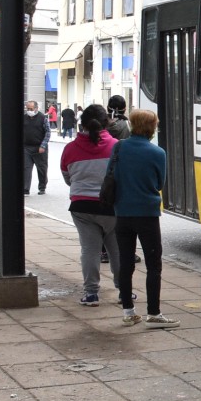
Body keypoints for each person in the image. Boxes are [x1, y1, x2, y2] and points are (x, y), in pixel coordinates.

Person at [110, 109, 178, 328]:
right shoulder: (157, 153)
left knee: (126, 262)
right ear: (151, 127)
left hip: (122, 213)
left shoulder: (118, 147)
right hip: (147, 214)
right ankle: (154, 313)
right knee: (153, 265)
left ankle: (128, 311)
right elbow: (159, 184)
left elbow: (111, 176)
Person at [62, 105, 121, 306]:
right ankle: (124, 291)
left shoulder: (69, 149)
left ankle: (91, 294)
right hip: (112, 207)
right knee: (117, 251)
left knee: (89, 250)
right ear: (106, 122)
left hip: (81, 207)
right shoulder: (117, 146)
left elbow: (68, 178)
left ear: (82, 123)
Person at [22, 100, 51, 195]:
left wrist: (43, 145)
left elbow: (47, 132)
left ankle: (42, 187)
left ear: (36, 108)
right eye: (27, 109)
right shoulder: (24, 118)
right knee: (26, 168)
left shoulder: (43, 118)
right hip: (27, 147)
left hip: (40, 147)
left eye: (31, 109)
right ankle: (25, 189)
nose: (29, 110)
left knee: (42, 168)